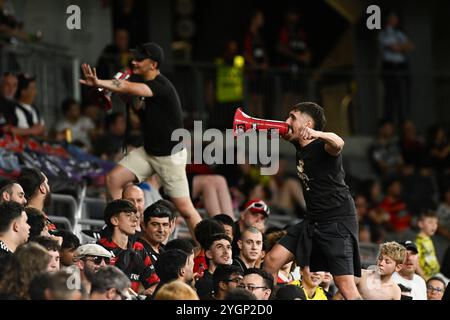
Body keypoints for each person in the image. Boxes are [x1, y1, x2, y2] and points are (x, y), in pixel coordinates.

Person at [80, 42, 202, 240]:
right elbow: (138, 113)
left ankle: (207, 248)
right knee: (113, 179)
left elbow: (128, 86)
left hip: (170, 157)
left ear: (153, 64)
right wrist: (124, 97)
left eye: (139, 59)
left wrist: (100, 83)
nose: (134, 62)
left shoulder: (160, 86)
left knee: (186, 210)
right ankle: (117, 234)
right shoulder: (145, 86)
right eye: (134, 58)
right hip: (150, 152)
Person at [263, 102, 362, 300]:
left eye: (292, 117)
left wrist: (318, 134)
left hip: (337, 222)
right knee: (271, 261)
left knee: (347, 288)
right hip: (312, 220)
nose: (287, 122)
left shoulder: (323, 147)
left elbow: (338, 142)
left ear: (308, 124)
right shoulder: (298, 143)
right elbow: (281, 130)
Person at [97, 199, 154, 294]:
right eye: (128, 215)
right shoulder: (100, 248)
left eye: (135, 216)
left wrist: (148, 292)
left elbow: (155, 282)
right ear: (115, 220)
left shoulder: (138, 248)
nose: (135, 220)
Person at [378, 12, 414, 125]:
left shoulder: (399, 33)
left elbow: (410, 46)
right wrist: (401, 46)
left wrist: (400, 46)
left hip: (401, 66)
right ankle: (390, 121)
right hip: (390, 66)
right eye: (393, 18)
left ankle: (403, 121)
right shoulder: (384, 34)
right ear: (388, 19)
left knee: (402, 94)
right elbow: (394, 47)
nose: (395, 20)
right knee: (390, 95)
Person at [195, 233, 233, 299]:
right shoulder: (202, 284)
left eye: (228, 247)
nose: (226, 251)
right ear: (209, 254)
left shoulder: (236, 280)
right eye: (220, 247)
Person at [415, 211, 440, 280]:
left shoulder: (428, 239)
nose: (434, 225)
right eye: (430, 222)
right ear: (420, 224)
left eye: (436, 223)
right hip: (428, 277)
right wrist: (425, 278)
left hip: (436, 274)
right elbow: (416, 263)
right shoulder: (418, 242)